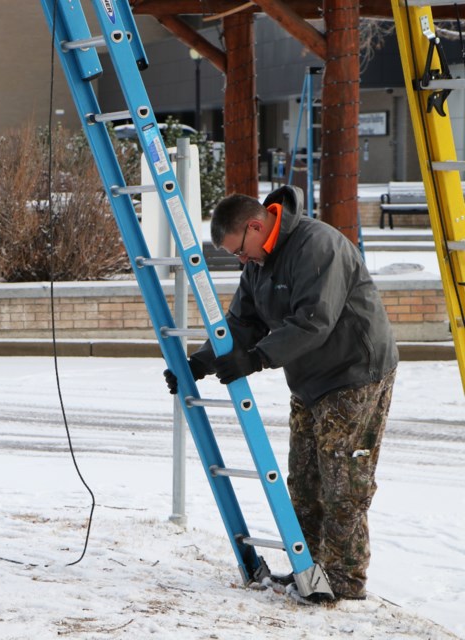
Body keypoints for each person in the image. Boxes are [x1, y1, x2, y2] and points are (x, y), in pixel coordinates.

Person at [164, 185, 398, 604]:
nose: (241, 260)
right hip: (308, 378)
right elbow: (241, 322)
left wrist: (255, 359)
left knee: (343, 482)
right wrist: (198, 363)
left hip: (354, 371)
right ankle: (309, 568)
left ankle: (344, 579)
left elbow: (313, 322)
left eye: (239, 250)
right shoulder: (259, 262)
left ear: (256, 225)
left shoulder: (316, 246)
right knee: (305, 481)